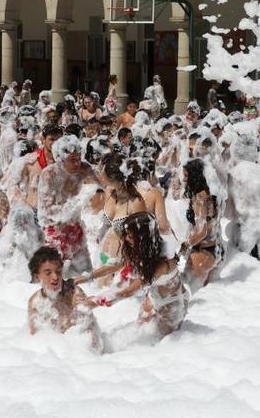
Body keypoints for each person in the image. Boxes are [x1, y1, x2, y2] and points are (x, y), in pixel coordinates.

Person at [84, 212, 188, 337]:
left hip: (172, 304)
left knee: (161, 344)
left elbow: (129, 291)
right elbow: (117, 264)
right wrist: (86, 278)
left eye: (130, 236)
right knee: (141, 331)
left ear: (142, 237)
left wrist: (95, 301)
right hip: (153, 297)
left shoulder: (163, 262)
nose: (126, 239)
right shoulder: (145, 250)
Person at [37, 135, 97, 276]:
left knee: (85, 275)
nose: (77, 164)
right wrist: (75, 204)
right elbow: (47, 210)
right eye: (72, 160)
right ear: (60, 159)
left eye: (78, 159)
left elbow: (107, 183)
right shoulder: (50, 174)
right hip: (54, 231)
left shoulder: (84, 169)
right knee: (56, 277)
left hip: (76, 229)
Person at [27, 246, 102, 353]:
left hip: (81, 354)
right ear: (37, 276)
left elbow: (88, 332)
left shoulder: (73, 292)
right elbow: (37, 340)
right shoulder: (35, 302)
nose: (55, 277)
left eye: (58, 271)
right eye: (48, 273)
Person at [179, 158, 221, 291]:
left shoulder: (199, 199)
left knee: (193, 298)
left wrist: (185, 245)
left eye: (186, 175)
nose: (184, 179)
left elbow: (201, 231)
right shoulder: (210, 194)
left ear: (195, 176)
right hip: (212, 249)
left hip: (203, 253)